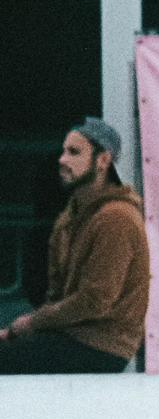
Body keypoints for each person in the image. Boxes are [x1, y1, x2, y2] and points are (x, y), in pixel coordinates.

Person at [0, 119, 150, 374]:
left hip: (101, 345)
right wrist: (20, 331)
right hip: (70, 337)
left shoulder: (117, 217)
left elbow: (96, 300)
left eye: (74, 152)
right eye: (63, 151)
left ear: (103, 160)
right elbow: (58, 294)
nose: (62, 160)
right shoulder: (70, 217)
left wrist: (31, 324)